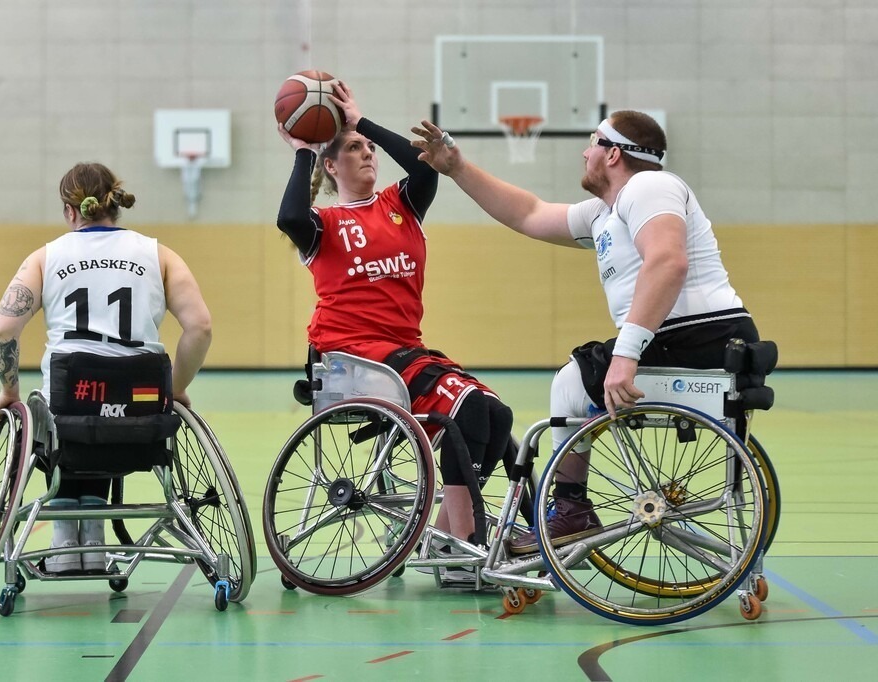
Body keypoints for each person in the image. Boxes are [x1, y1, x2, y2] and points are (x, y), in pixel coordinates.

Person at [411, 111, 762, 554]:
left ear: (613, 154)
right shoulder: (605, 212)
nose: (584, 152)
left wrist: (627, 354)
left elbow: (669, 261)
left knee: (571, 382)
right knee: (576, 380)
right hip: (689, 338)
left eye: (593, 142)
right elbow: (529, 213)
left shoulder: (649, 186)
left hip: (701, 335)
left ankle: (571, 508)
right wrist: (458, 168)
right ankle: (570, 507)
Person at [276, 82, 514, 556]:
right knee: (468, 409)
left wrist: (360, 122)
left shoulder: (400, 204)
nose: (367, 152)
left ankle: (447, 538)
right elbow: (289, 218)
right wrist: (303, 150)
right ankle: (465, 546)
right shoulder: (324, 223)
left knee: (496, 415)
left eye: (369, 147)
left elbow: (424, 166)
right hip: (350, 354)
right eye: (354, 148)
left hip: (403, 351)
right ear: (330, 165)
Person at [0, 162, 212, 572]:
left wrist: (9, 392)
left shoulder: (45, 257)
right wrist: (175, 388)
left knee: (64, 409)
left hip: (68, 404)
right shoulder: (158, 254)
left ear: (70, 211)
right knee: (113, 403)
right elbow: (200, 327)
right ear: (116, 204)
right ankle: (93, 533)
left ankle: (65, 540)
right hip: (141, 409)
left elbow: (3, 331)